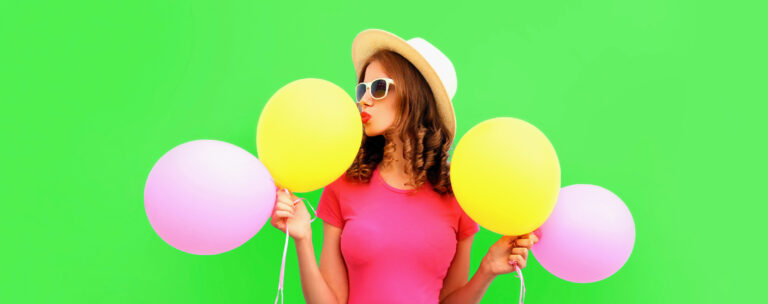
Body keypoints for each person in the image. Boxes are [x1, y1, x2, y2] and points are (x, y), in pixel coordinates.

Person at [270, 29, 538, 304]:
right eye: (362, 89)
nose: (364, 99)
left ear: (415, 95)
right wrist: (302, 239)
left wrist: (487, 270)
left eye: (378, 87)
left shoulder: (457, 196)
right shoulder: (343, 185)